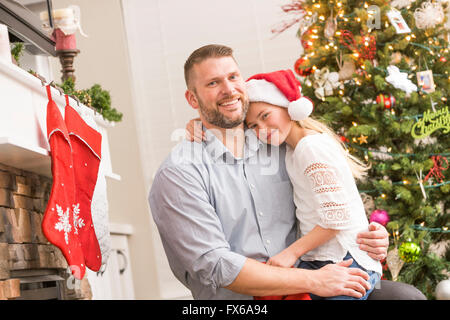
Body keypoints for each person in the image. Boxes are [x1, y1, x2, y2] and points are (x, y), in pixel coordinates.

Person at [149, 44, 408, 300]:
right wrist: (315, 280)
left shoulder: (279, 144)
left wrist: (367, 235)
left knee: (405, 297)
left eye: (233, 77)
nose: (229, 90)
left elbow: (330, 202)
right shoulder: (178, 174)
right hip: (251, 298)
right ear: (192, 99)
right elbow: (216, 265)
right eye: (213, 83)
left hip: (313, 280)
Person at [242, 69, 382, 300]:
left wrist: (290, 253)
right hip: (319, 260)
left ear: (289, 107)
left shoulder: (310, 147)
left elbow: (336, 219)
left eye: (265, 116)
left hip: (346, 258)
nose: (261, 130)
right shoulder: (290, 150)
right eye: (253, 126)